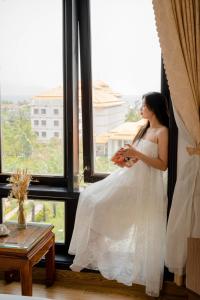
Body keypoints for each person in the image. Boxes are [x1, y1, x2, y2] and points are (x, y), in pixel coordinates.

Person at [68, 92, 169, 297]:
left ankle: (101, 252)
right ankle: (92, 252)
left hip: (144, 186)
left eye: (144, 105)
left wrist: (137, 153)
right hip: (129, 178)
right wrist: (125, 159)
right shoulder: (144, 129)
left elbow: (162, 165)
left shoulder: (162, 131)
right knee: (89, 197)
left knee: (100, 206)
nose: (141, 109)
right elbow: (136, 161)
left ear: (153, 108)